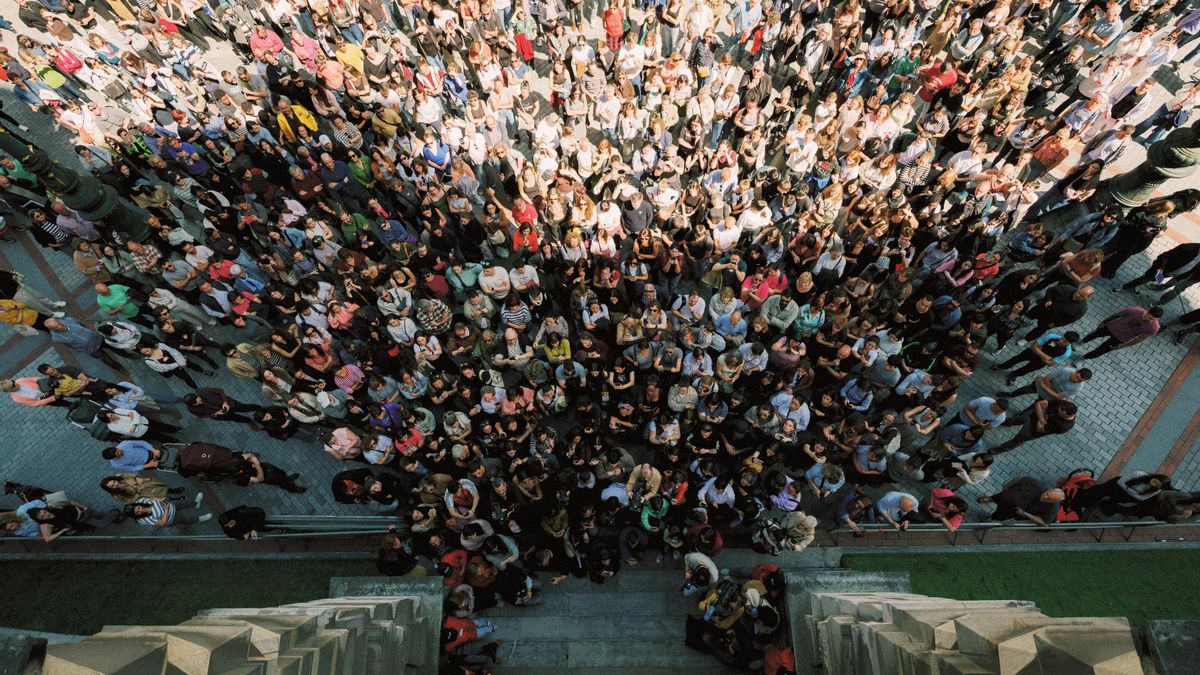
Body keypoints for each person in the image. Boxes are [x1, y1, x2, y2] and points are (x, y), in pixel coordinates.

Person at [978, 477, 1064, 526]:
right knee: (997, 497)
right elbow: (1021, 478)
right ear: (1050, 489)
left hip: (1014, 510)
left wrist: (1025, 514)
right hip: (1007, 495)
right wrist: (1007, 485)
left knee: (1000, 515)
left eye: (1049, 499)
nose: (1045, 497)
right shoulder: (1039, 485)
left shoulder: (1053, 507)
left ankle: (990, 518)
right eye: (1047, 494)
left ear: (1054, 501)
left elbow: (1045, 523)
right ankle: (989, 499)